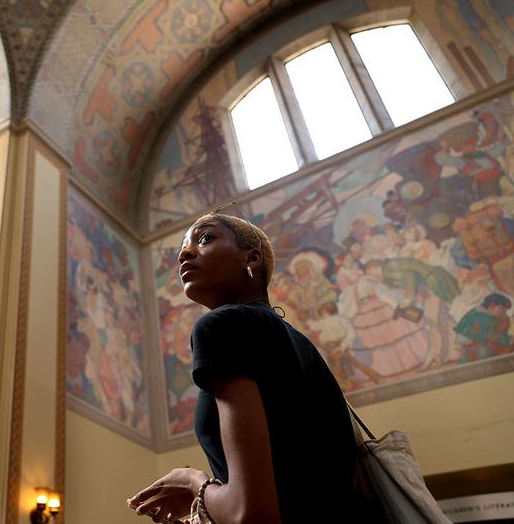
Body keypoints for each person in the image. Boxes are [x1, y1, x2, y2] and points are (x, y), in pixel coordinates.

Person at [126, 211, 379, 523]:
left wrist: (193, 485)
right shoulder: (299, 342)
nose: (184, 252)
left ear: (252, 258)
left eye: (205, 238)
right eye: (183, 246)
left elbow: (252, 514)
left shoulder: (220, 326)